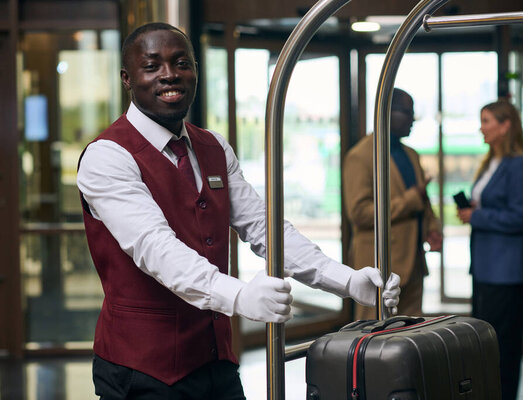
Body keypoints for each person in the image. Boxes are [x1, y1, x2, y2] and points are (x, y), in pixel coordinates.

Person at [76, 22, 401, 400]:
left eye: (181, 63)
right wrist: (239, 296)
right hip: (142, 370)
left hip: (217, 362)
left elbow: (264, 227)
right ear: (127, 78)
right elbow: (155, 248)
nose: (170, 75)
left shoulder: (213, 146)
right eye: (152, 66)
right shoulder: (107, 156)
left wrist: (344, 280)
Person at [457, 99, 523, 400]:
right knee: (487, 342)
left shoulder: (520, 165)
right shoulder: (492, 162)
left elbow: (522, 216)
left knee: (502, 343)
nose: (481, 127)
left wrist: (478, 216)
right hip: (486, 265)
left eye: (487, 120)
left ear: (506, 126)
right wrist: (477, 209)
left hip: (506, 269)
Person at [342, 88, 442, 319]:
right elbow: (359, 213)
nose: (412, 120)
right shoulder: (361, 156)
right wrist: (410, 200)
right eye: (407, 113)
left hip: (414, 263)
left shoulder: (412, 154)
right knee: (374, 337)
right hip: (379, 267)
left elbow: (422, 201)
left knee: (410, 337)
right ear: (387, 112)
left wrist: (432, 228)